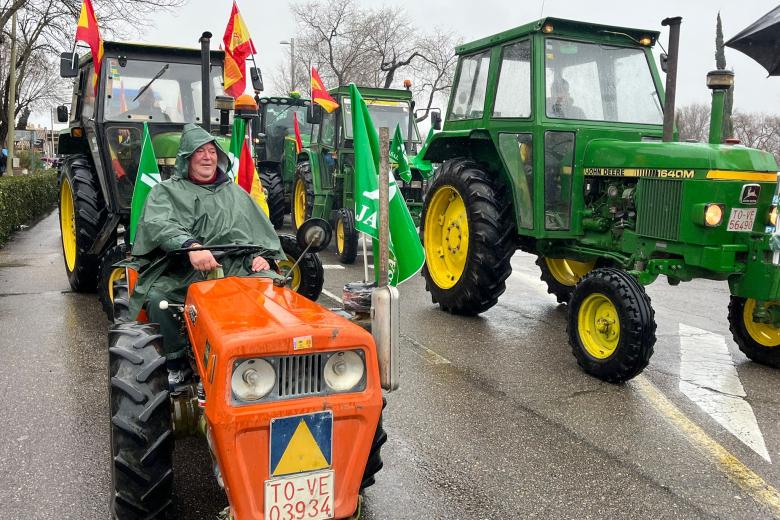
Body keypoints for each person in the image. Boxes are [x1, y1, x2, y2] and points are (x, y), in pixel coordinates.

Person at [127, 123, 285, 384]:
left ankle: (269, 355)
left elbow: (259, 232)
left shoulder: (236, 193)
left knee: (274, 286)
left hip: (236, 266)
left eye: (212, 151)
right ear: (186, 158)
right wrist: (190, 246)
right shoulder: (165, 191)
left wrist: (263, 257)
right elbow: (159, 224)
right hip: (183, 271)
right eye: (200, 151)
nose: (207, 156)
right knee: (158, 299)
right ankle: (176, 361)